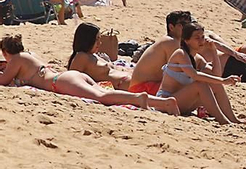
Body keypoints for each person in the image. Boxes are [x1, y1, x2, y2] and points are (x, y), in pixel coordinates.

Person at [0, 33, 175, 112]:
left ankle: (138, 98)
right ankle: (164, 102)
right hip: (68, 77)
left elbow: (3, 81)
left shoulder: (15, 60)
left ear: (6, 52)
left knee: (102, 98)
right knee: (105, 93)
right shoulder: (29, 55)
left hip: (61, 82)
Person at [158, 23, 245, 124]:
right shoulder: (180, 54)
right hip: (167, 102)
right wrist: (223, 80)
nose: (201, 41)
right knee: (200, 84)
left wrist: (213, 51)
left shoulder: (197, 58)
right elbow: (195, 75)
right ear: (186, 40)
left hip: (184, 102)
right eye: (197, 38)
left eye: (202, 37)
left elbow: (216, 75)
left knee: (216, 85)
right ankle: (223, 120)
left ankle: (233, 119)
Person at [65, 22, 131, 89]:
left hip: (128, 79)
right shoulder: (81, 56)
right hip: (124, 83)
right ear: (88, 40)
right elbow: (72, 79)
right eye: (97, 39)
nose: (100, 43)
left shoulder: (93, 55)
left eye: (100, 39)